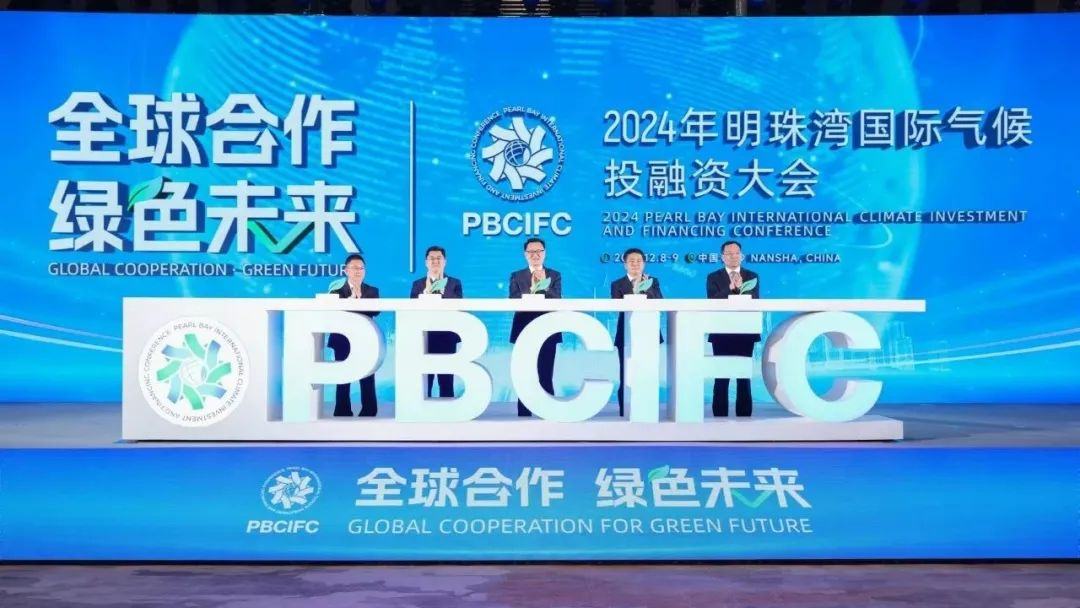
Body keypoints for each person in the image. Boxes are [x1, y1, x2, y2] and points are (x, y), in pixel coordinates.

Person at [705, 240, 761, 417]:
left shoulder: (751, 276)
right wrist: (730, 288)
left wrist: (741, 288)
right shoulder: (713, 277)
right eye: (729, 253)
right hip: (722, 333)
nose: (733, 256)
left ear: (741, 256)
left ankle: (744, 414)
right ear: (722, 257)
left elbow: (754, 299)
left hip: (745, 333)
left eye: (737, 253)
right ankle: (719, 413)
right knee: (721, 375)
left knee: (743, 375)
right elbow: (713, 300)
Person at [508, 237, 562, 417]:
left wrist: (544, 286)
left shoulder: (554, 275)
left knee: (546, 373)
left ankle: (549, 412)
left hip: (548, 329)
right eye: (531, 252)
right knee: (525, 373)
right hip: (524, 327)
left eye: (539, 251)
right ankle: (524, 414)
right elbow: (513, 300)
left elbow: (557, 300)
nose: (535, 255)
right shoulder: (516, 275)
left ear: (544, 253)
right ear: (525, 254)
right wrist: (531, 290)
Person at [610, 247, 663, 417]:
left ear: (644, 264)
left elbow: (659, 302)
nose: (635, 264)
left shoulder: (653, 281)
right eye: (631, 261)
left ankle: (648, 409)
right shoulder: (617, 284)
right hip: (626, 334)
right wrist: (634, 292)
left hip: (649, 333)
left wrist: (645, 288)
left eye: (639, 261)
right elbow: (617, 307)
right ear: (625, 265)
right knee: (626, 373)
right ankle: (624, 410)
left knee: (648, 372)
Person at [327, 253, 380, 417]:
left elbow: (376, 311)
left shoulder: (372, 291)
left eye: (361, 268)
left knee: (367, 376)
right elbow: (333, 312)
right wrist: (351, 300)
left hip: (365, 339)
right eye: (354, 268)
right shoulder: (335, 290)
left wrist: (360, 301)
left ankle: (369, 410)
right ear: (346, 270)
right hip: (342, 340)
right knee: (343, 376)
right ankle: (342, 410)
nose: (358, 271)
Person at [409, 245, 463, 398]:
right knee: (425, 380)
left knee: (446, 380)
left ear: (445, 261)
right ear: (426, 262)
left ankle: (448, 409)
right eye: (431, 258)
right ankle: (423, 408)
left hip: (447, 336)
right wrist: (426, 293)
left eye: (439, 258)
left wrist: (441, 292)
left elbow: (458, 304)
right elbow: (412, 308)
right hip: (425, 336)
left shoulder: (454, 283)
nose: (435, 261)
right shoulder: (418, 284)